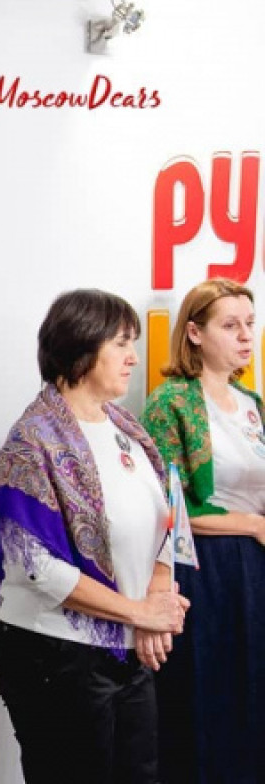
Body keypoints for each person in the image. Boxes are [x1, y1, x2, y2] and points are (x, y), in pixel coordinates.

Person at [0, 288, 190, 784]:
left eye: (133, 342)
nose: (134, 357)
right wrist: (139, 612)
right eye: (121, 343)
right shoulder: (33, 441)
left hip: (128, 648)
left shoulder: (127, 428)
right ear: (81, 347)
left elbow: (169, 516)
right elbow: (35, 567)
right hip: (57, 655)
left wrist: (157, 601)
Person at [140, 278, 265, 782]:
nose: (246, 336)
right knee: (208, 695)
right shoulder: (171, 402)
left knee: (253, 693)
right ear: (194, 333)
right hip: (204, 569)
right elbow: (164, 504)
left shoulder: (252, 403)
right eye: (231, 325)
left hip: (255, 566)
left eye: (250, 324)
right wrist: (251, 524)